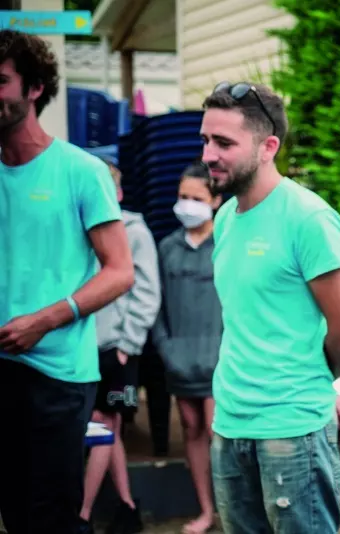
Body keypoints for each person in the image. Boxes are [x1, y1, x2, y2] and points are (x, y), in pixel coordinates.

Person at [201, 81, 340, 534]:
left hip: (292, 431)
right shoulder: (224, 218)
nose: (209, 154)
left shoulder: (308, 219)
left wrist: (310, 383)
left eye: (224, 143)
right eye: (206, 140)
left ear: (268, 147)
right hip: (229, 423)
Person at [0, 30, 134, 534]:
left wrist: (44, 320)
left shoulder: (81, 171)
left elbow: (120, 271)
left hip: (56, 374)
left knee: (50, 520)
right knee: (15, 515)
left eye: (0, 81)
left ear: (35, 88)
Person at [80, 159, 161, 534]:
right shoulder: (81, 227)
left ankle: (82, 514)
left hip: (117, 347)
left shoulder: (135, 231)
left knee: (103, 426)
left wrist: (127, 344)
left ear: (119, 193)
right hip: (84, 346)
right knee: (105, 427)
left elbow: (147, 292)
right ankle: (127, 507)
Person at [151, 161, 223, 534]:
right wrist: (167, 350)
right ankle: (206, 511)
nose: (187, 205)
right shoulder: (167, 248)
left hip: (219, 363)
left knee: (217, 432)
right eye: (183, 197)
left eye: (196, 198)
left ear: (216, 200)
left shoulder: (226, 244)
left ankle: (234, 511)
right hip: (180, 363)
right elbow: (156, 305)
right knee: (191, 429)